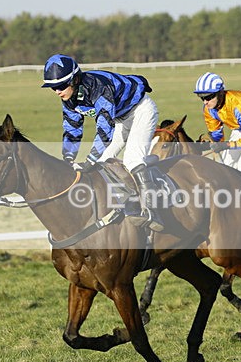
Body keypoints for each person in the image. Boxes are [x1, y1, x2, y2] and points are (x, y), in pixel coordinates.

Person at [41, 54, 163, 231]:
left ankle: (152, 211)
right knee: (101, 162)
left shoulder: (98, 88)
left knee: (132, 160)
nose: (58, 91)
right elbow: (72, 128)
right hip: (120, 119)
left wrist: (89, 159)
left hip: (141, 111)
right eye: (53, 88)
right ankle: (128, 202)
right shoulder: (68, 99)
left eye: (60, 86)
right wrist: (68, 158)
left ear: (75, 79)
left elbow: (104, 129)